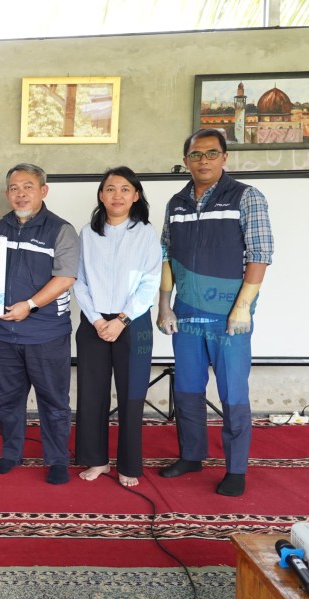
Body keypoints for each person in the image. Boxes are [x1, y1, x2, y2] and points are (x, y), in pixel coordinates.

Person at [157, 129, 273, 497]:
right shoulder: (176, 203)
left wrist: (243, 308)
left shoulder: (247, 197)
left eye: (211, 153)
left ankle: (236, 469)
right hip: (186, 315)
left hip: (229, 319)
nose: (203, 160)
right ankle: (192, 455)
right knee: (187, 391)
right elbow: (165, 255)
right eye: (195, 154)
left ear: (224, 157)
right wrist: (164, 305)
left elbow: (260, 254)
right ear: (186, 160)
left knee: (233, 396)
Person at [0, 163, 79, 485]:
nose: (21, 194)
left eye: (28, 187)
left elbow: (65, 277)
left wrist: (31, 305)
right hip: (2, 334)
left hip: (45, 334)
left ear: (43, 191)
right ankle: (11, 453)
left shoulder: (61, 229)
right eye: (14, 188)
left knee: (53, 401)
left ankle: (57, 460)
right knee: (8, 400)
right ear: (7, 194)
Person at [73, 167, 161, 487]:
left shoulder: (146, 234)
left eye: (125, 189)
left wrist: (122, 320)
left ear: (135, 196)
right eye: (110, 189)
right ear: (101, 195)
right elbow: (79, 280)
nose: (117, 195)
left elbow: (150, 282)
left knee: (131, 395)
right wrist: (98, 320)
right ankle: (96, 460)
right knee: (91, 394)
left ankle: (128, 464)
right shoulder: (88, 233)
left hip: (133, 323)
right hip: (94, 323)